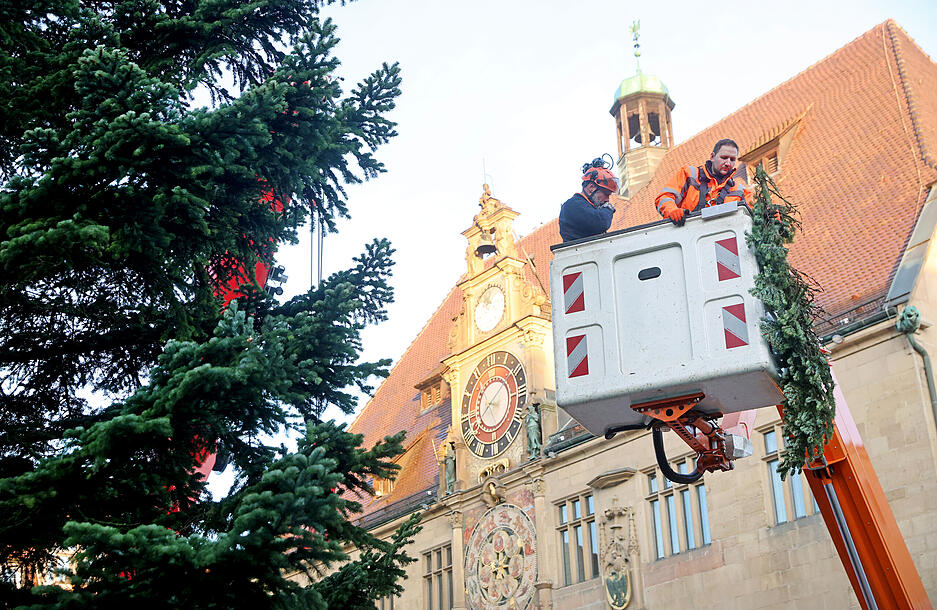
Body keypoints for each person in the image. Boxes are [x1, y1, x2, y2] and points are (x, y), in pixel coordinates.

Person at [655, 138, 752, 226]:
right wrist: (672, 210)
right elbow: (664, 197)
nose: (728, 163)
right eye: (724, 157)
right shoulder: (689, 175)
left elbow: (753, 219)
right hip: (686, 235)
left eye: (732, 160)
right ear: (712, 157)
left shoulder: (741, 192)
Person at [559, 157, 619, 242]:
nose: (607, 200)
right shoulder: (573, 205)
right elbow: (601, 223)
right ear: (591, 188)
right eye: (605, 194)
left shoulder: (588, 208)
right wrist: (608, 208)